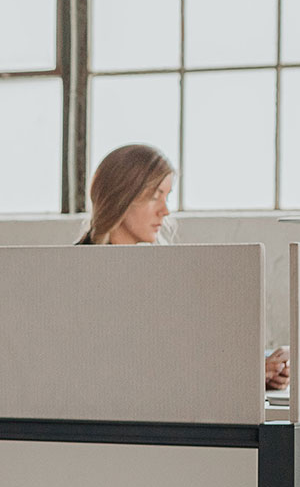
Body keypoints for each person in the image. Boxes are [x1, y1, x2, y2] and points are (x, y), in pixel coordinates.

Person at [78, 144, 288, 390]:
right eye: (155, 196)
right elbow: (141, 372)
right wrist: (245, 375)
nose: (165, 211)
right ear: (121, 197)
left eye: (167, 196)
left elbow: (187, 359)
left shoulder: (161, 280)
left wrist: (258, 373)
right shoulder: (79, 280)